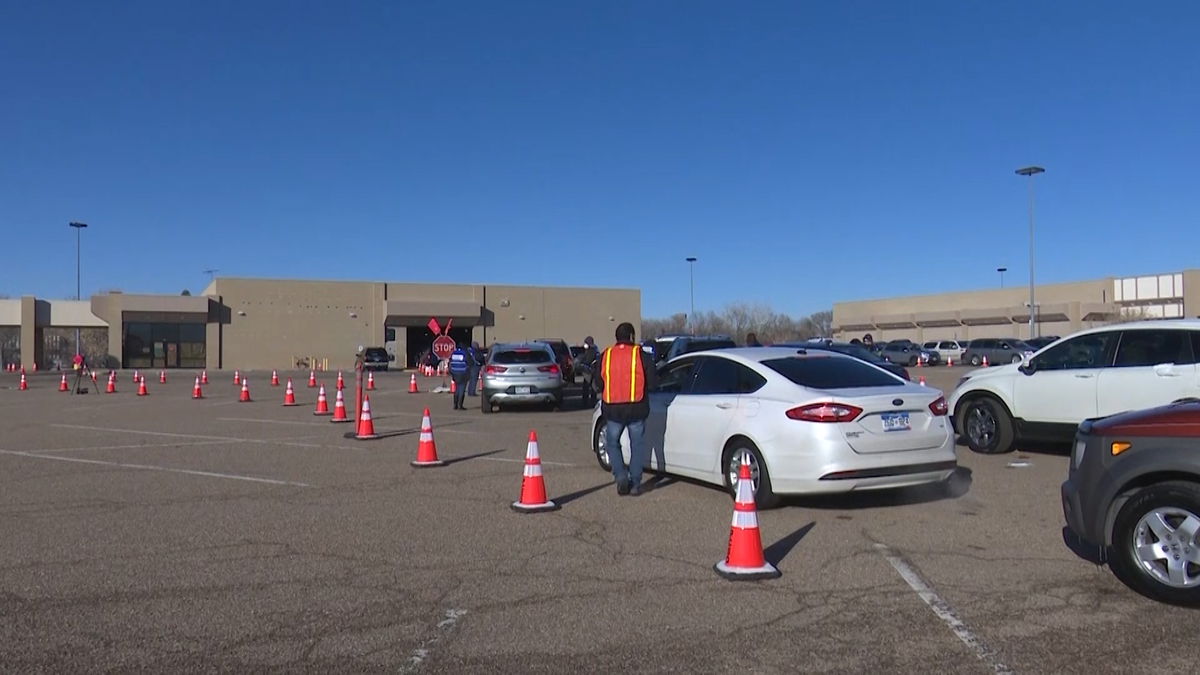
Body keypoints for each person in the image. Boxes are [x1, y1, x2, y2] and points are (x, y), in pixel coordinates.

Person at [596, 322, 657, 496]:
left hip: (613, 409)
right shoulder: (641, 355)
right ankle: (635, 483)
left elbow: (598, 384)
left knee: (612, 443)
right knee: (637, 445)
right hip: (637, 408)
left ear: (617, 337)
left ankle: (620, 476)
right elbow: (653, 383)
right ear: (631, 336)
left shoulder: (605, 356)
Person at [575, 336, 600, 407]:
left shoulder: (593, 350)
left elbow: (593, 359)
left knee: (592, 388)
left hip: (591, 371)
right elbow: (582, 358)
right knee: (586, 388)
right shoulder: (586, 350)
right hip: (587, 371)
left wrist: (585, 364)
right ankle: (586, 402)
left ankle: (591, 402)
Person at [448, 341, 471, 410]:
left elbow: (450, 362)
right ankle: (460, 405)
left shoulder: (454, 353)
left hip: (455, 372)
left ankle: (455, 405)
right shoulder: (465, 353)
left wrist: (451, 372)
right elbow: (470, 362)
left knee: (457, 389)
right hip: (463, 373)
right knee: (462, 389)